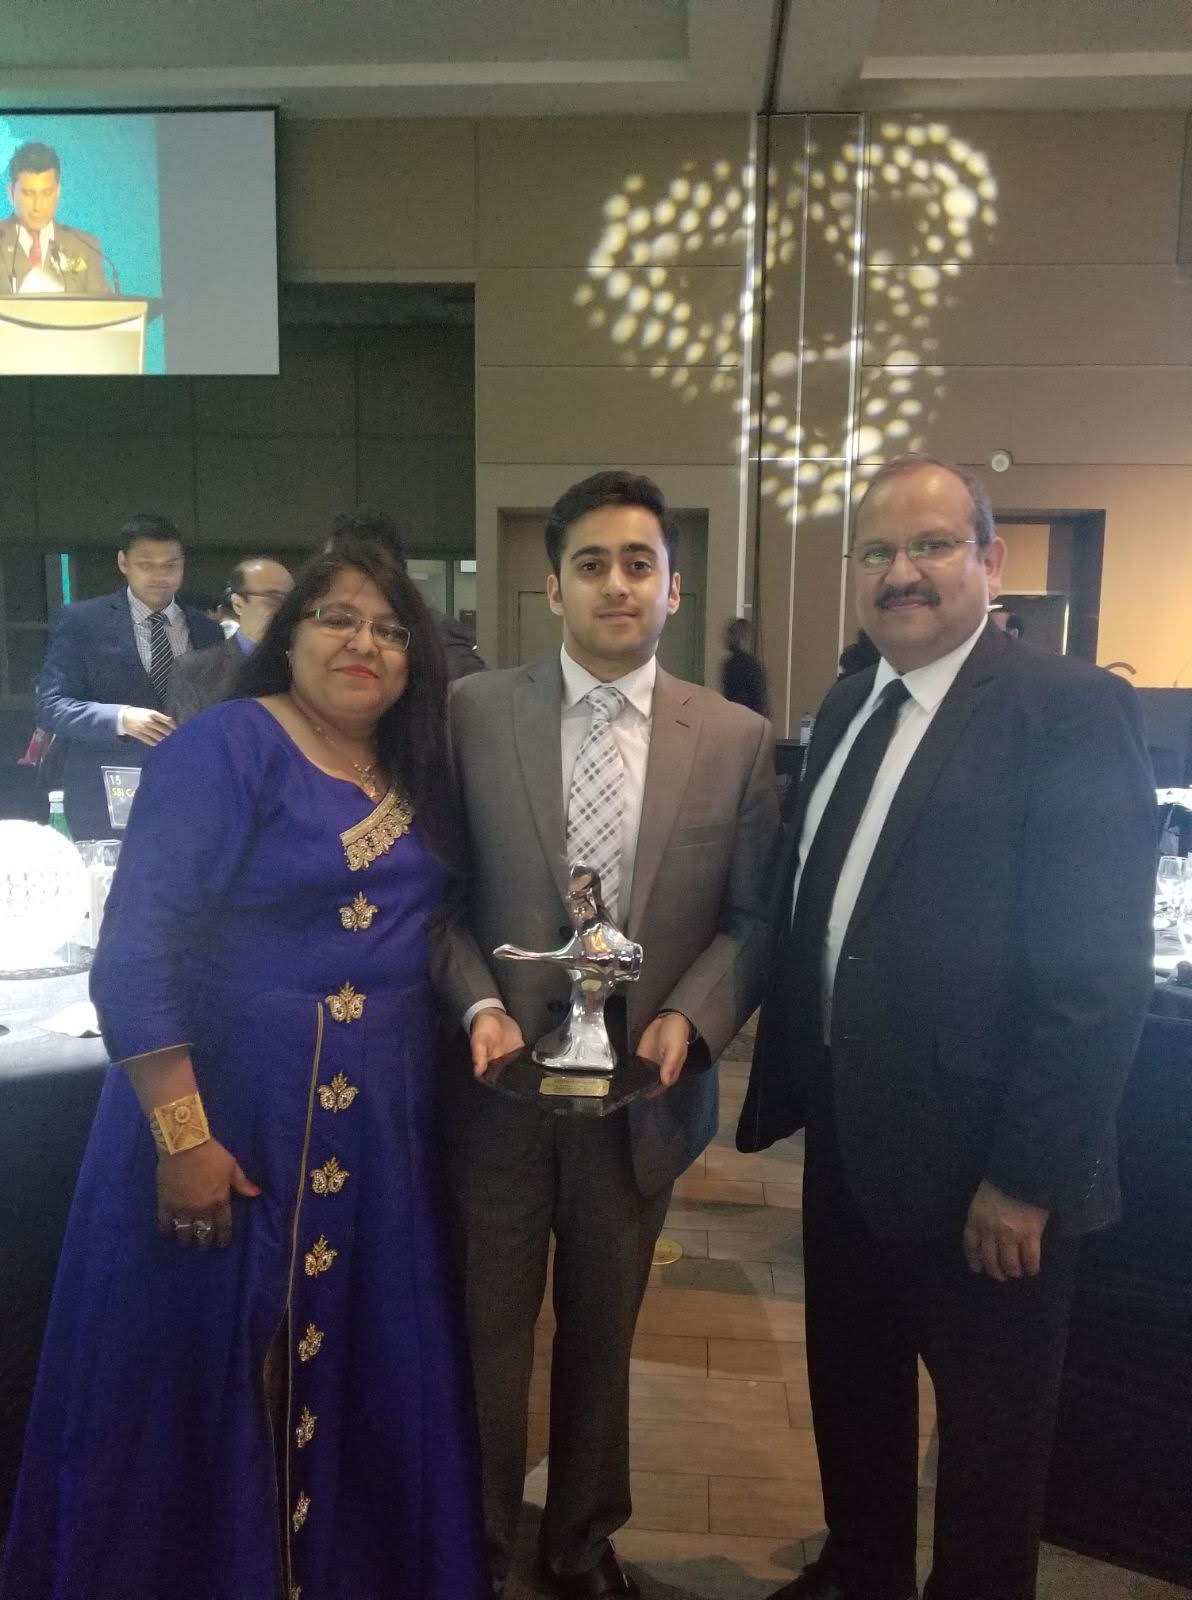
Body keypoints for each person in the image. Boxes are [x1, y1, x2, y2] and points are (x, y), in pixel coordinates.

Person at [0, 537, 489, 1600]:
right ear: (287, 631)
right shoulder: (229, 748)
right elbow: (138, 952)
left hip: (376, 1150)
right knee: (216, 1382)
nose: (365, 642)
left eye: (390, 627)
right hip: (236, 1126)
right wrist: (183, 1140)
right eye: (337, 618)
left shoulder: (411, 767)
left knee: (368, 1382)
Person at [737, 453, 1155, 1600]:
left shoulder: (1067, 709)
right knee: (854, 1393)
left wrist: (1028, 1176)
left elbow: (1095, 970)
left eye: (931, 546)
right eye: (877, 551)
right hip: (852, 1137)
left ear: (990, 559)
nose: (902, 572)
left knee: (989, 1448)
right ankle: (858, 1570)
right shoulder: (847, 703)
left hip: (989, 1170)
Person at [434, 470, 779, 1598]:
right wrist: (477, 999)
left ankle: (581, 1540)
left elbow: (752, 918)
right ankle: (476, 1542)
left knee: (602, 1335)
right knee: (485, 1332)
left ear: (674, 588)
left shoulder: (732, 737)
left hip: (637, 1091)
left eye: (639, 563)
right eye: (592, 563)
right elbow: (431, 893)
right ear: (551, 586)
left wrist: (692, 1013)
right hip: (496, 1086)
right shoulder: (473, 711)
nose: (616, 584)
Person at [34, 512, 221, 839]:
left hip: (190, 790)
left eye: (170, 565)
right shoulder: (83, 622)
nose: (159, 576)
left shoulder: (208, 631)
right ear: (123, 562)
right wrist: (121, 718)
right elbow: (51, 706)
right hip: (106, 793)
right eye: (146, 564)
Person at [325, 510, 486, 681]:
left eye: (389, 633)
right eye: (337, 622)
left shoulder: (432, 631)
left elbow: (476, 695)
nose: (363, 646)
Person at [169, 556, 294, 722]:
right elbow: (189, 742)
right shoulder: (195, 671)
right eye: (274, 599)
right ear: (238, 604)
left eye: (292, 600)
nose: (286, 609)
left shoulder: (309, 668)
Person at [0, 142, 113, 295]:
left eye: (46, 193)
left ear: (58, 192)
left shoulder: (84, 246)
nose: (37, 206)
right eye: (28, 194)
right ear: (11, 193)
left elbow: (104, 310)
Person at [722, 615, 769, 716]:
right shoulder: (729, 665)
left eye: (733, 633)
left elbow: (759, 702)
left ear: (742, 637)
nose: (728, 637)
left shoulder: (752, 667)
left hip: (748, 722)